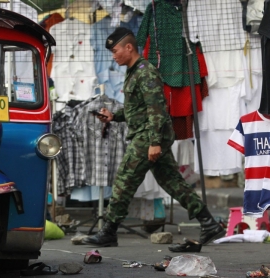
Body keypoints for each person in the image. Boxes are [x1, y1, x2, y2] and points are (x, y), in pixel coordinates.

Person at [82, 27, 226, 247]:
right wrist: (114, 116)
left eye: (115, 50)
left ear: (129, 47)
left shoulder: (145, 72)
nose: (114, 56)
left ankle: (109, 231)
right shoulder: (134, 71)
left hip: (147, 137)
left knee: (123, 181)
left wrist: (154, 143)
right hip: (148, 134)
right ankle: (209, 223)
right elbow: (137, 109)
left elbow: (157, 109)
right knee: (173, 182)